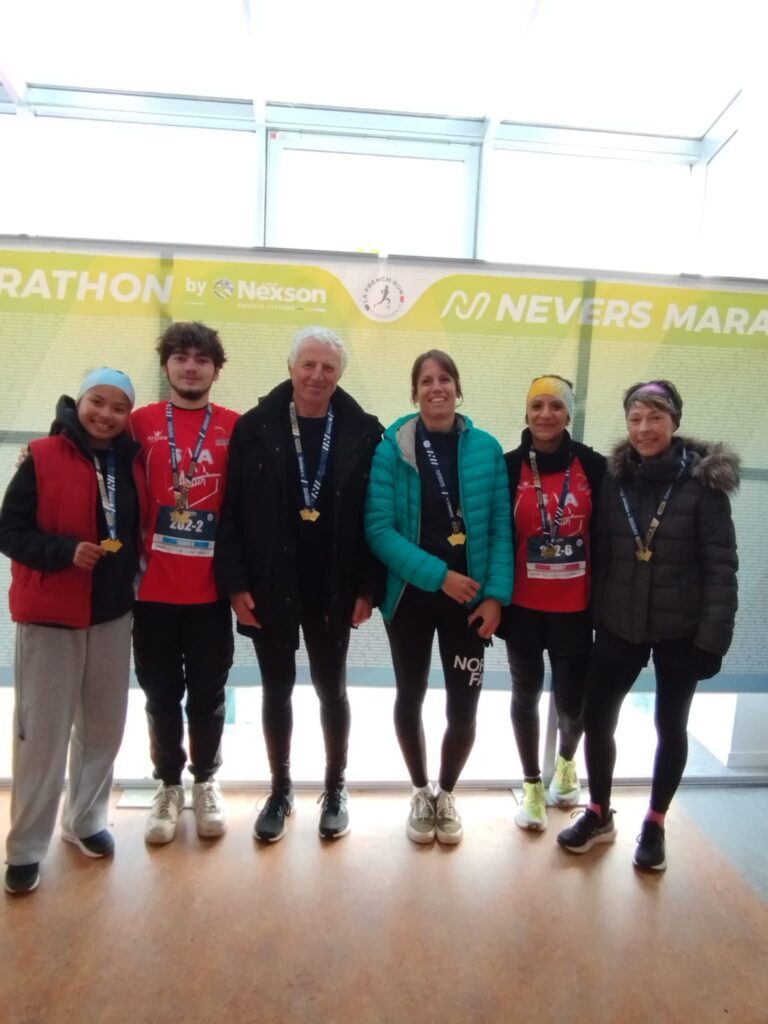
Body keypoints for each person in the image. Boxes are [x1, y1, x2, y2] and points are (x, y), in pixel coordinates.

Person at [557, 380, 738, 870]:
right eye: (635, 419)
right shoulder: (614, 478)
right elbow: (602, 553)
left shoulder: (703, 484)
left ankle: (655, 822)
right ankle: (598, 812)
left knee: (670, 725)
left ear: (674, 421)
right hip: (620, 622)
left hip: (682, 628)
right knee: (598, 718)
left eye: (655, 417)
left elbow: (721, 566)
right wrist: (593, 618)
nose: (644, 428)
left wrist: (713, 639)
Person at [214, 326, 383, 842]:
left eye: (328, 367)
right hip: (270, 584)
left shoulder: (364, 432)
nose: (317, 375)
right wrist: (235, 584)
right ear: (291, 368)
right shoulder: (254, 427)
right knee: (276, 689)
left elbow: (376, 516)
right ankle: (280, 790)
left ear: (340, 374)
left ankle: (335, 788)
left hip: (334, 587)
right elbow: (231, 510)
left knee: (332, 690)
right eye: (308, 364)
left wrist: (368, 588)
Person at [0, 368, 144, 895]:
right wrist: (62, 551)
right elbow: (8, 531)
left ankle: (84, 820)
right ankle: (25, 848)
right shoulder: (41, 456)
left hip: (112, 614)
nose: (106, 415)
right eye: (97, 402)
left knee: (103, 728)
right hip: (50, 615)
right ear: (78, 402)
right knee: (42, 735)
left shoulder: (133, 461)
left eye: (119, 407)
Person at [364, 350, 513, 845]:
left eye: (444, 379)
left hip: (469, 601)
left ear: (457, 388)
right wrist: (440, 576)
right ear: (415, 392)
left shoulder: (486, 449)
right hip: (410, 595)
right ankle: (419, 790)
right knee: (410, 695)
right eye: (426, 381)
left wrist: (494, 597)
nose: (436, 388)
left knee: (464, 706)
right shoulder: (392, 448)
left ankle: (446, 793)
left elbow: (500, 529)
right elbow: (379, 530)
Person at [131, 322, 238, 845]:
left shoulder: (236, 426)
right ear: (166, 366)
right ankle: (169, 784)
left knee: (209, 694)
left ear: (216, 370)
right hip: (151, 589)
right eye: (181, 358)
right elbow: (88, 445)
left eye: (201, 359)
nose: (191, 367)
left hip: (211, 591)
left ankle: (206, 780)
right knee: (160, 694)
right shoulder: (140, 423)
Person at [497, 375, 605, 831]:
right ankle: (532, 787)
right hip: (522, 607)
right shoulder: (508, 466)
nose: (546, 414)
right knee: (525, 694)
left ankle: (565, 765)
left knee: (572, 704)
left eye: (556, 406)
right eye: (537, 405)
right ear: (526, 412)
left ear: (569, 415)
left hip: (575, 609)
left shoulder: (594, 466)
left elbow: (608, 536)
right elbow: (495, 536)